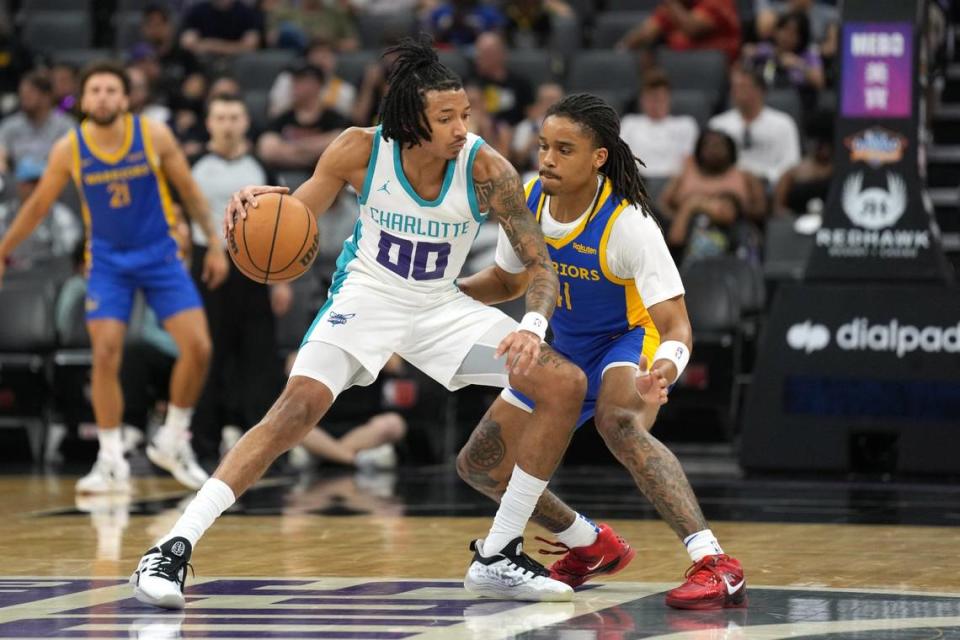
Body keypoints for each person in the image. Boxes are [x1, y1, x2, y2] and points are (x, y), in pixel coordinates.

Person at [130, 36, 586, 608]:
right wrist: (258, 202)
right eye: (446, 117)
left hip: (441, 308)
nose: (460, 128)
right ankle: (171, 547)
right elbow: (293, 217)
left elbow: (541, 264)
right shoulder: (359, 150)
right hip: (366, 297)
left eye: (464, 114)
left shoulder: (486, 168)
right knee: (294, 410)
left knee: (563, 383)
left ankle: (497, 554)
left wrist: (532, 327)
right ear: (409, 120)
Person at [456, 93, 747, 610]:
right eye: (544, 146)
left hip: (625, 341)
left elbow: (677, 323)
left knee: (618, 422)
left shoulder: (628, 223)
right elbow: (506, 279)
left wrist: (665, 368)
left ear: (598, 158)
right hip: (561, 346)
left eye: (564, 149)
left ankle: (716, 564)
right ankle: (588, 543)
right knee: (480, 467)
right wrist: (443, 293)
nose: (547, 158)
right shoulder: (528, 201)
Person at [0, 61, 229, 493]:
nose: (103, 97)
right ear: (83, 100)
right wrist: (4, 251)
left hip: (160, 254)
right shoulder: (69, 147)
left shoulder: (153, 135)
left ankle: (173, 439)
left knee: (198, 347)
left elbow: (190, 193)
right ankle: (109, 459)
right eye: (96, 90)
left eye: (111, 90)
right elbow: (35, 207)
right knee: (105, 353)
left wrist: (214, 245)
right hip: (107, 261)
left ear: (124, 98)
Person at [188, 94, 287, 463]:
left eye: (234, 117)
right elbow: (178, 220)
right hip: (204, 266)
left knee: (258, 356)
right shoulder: (193, 165)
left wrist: (281, 281)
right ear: (209, 122)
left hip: (254, 268)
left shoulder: (261, 168)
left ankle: (257, 446)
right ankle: (202, 444)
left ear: (246, 123)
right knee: (207, 354)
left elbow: (282, 225)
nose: (228, 124)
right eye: (221, 117)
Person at [659, 129, 766, 263]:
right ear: (699, 149)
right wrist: (679, 217)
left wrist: (728, 210)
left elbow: (761, 209)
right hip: (686, 231)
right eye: (708, 145)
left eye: (719, 145)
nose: (714, 150)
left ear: (731, 150)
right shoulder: (683, 174)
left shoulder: (746, 176)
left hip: (733, 230)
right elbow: (662, 204)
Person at [708, 64, 801, 185]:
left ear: (760, 91)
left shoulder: (783, 123)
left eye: (743, 87)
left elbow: (791, 162)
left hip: (770, 182)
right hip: (730, 184)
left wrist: (767, 177)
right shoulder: (718, 125)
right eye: (734, 87)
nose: (736, 92)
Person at [0, 158, 81, 269]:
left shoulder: (60, 215)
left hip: (49, 276)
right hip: (10, 277)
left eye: (41, 182)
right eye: (30, 182)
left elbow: (69, 252)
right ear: (19, 184)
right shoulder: (4, 214)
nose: (36, 187)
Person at [620, 69, 699, 179]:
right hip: (637, 182)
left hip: (674, 183)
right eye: (651, 98)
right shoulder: (630, 123)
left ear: (669, 98)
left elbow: (689, 163)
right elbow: (622, 160)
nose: (656, 104)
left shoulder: (685, 124)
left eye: (660, 99)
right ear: (642, 100)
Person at [618, 0, 741, 64]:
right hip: (679, 70)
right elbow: (646, 32)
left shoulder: (717, 1)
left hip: (719, 74)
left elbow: (692, 28)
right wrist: (623, 46)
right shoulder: (677, 7)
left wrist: (671, 3)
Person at [0, 71, 75, 174]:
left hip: (57, 182)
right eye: (22, 93)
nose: (24, 97)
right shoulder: (10, 125)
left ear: (46, 97)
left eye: (29, 93)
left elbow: (74, 160)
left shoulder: (65, 125)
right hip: (17, 184)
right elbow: (1, 155)